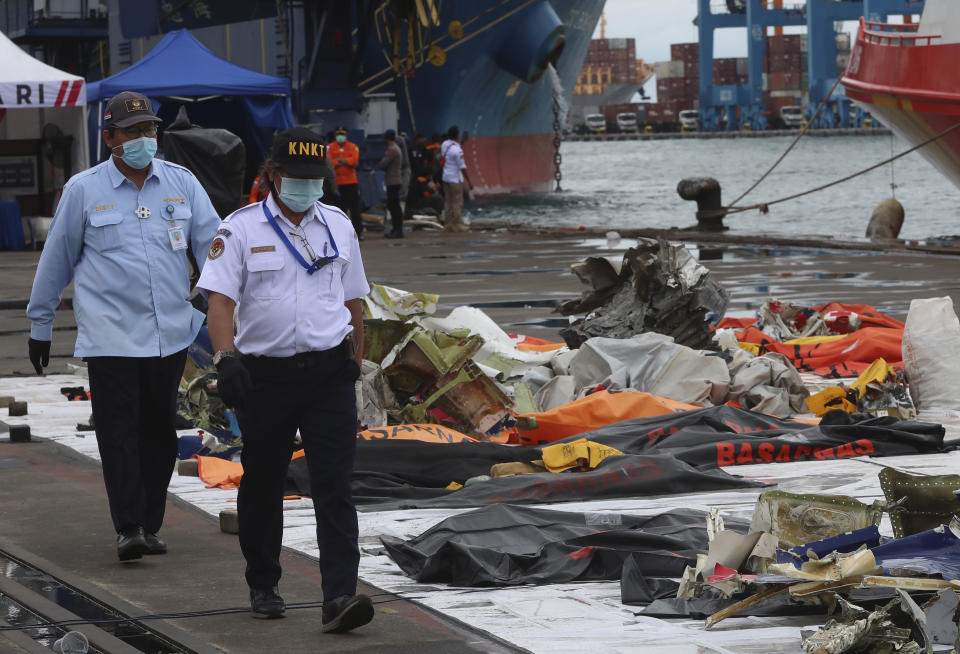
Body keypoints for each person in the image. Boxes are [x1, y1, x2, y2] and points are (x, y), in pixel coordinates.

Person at [26, 91, 221, 561]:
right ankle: (129, 525)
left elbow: (217, 250)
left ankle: (150, 523)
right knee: (118, 431)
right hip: (111, 334)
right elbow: (56, 261)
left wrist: (235, 315)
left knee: (159, 431)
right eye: (131, 131)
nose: (142, 139)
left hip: (169, 332)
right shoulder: (83, 190)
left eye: (149, 130)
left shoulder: (182, 184)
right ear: (109, 137)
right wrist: (41, 323)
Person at [195, 127, 374, 633]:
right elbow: (220, 301)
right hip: (264, 377)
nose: (306, 186)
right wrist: (224, 359)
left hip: (327, 375)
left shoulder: (339, 226)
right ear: (272, 175)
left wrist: (355, 358)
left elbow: (354, 298)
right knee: (264, 480)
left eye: (314, 178)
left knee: (335, 484)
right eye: (296, 177)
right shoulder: (241, 230)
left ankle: (339, 594)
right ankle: (264, 583)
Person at [327, 125, 364, 240]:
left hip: (351, 183)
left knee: (355, 209)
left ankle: (358, 232)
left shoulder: (353, 146)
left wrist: (342, 161)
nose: (340, 136)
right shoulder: (329, 147)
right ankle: (340, 234)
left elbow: (354, 161)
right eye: (338, 134)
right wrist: (345, 162)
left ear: (346, 135)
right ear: (335, 135)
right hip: (337, 184)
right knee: (339, 210)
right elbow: (330, 162)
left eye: (342, 134)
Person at [440, 125, 474, 232]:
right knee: (457, 201)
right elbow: (462, 167)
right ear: (457, 135)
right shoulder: (457, 150)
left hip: (445, 177)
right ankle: (457, 224)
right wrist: (469, 181)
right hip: (455, 179)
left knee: (448, 201)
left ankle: (448, 224)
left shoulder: (444, 144)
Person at [378, 129, 404, 238]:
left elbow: (383, 164)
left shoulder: (392, 149)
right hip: (394, 181)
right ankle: (396, 229)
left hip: (392, 181)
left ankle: (397, 230)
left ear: (387, 138)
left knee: (394, 207)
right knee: (394, 206)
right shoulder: (396, 148)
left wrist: (380, 162)